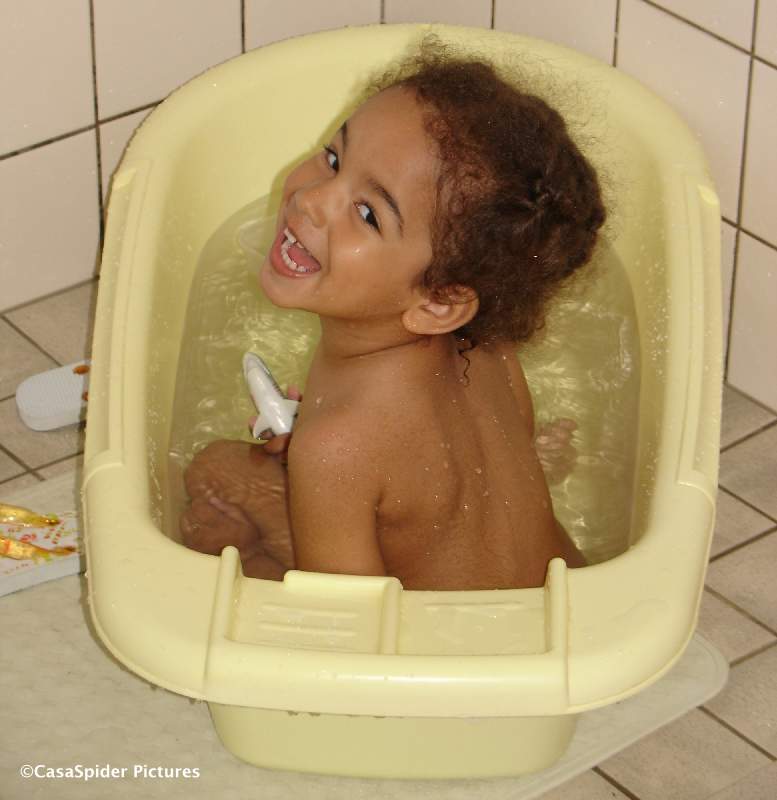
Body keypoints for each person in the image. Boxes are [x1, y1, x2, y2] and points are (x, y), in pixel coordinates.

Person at [180, 43, 605, 590]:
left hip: (451, 639)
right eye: (335, 159)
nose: (312, 199)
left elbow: (348, 619)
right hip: (568, 594)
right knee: (234, 466)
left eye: (367, 213)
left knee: (212, 482)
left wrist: (263, 556)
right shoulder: (488, 346)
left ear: (437, 303)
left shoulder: (336, 448)